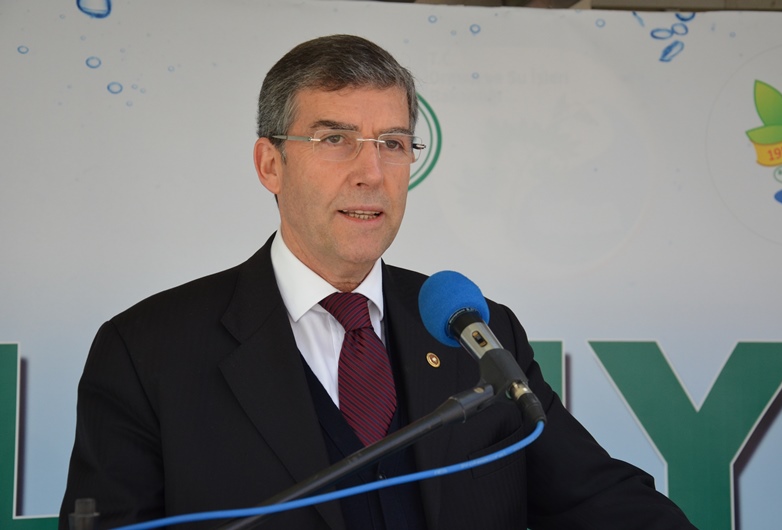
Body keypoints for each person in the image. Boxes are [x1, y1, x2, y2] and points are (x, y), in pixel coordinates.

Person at [59, 34, 696, 529]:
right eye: (336, 139)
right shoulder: (147, 351)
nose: (372, 173)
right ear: (270, 163)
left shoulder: (475, 331)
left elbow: (598, 499)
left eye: (392, 143)